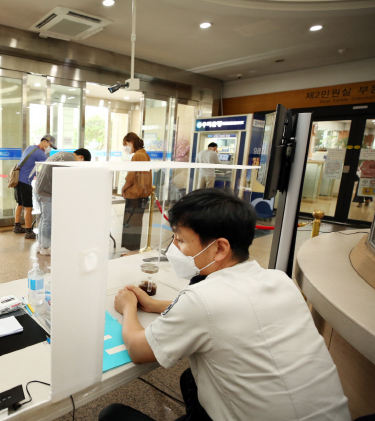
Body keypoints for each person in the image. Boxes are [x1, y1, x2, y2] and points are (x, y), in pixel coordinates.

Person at [100, 188, 350, 421]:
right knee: (191, 378)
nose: (173, 248)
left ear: (220, 248)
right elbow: (230, 311)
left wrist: (128, 306)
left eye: (181, 240)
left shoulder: (202, 300)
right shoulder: (279, 280)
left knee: (112, 414)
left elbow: (137, 349)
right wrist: (155, 305)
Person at [35, 149, 88, 256]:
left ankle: (41, 244)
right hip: (47, 192)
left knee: (44, 218)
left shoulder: (62, 154)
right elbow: (68, 181)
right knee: (48, 221)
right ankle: (46, 248)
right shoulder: (70, 161)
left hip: (39, 189)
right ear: (81, 157)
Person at [14, 135, 56, 239]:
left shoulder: (30, 147)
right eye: (50, 145)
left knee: (20, 204)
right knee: (28, 207)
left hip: (18, 180)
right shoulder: (40, 153)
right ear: (45, 141)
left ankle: (17, 226)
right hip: (25, 182)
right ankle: (29, 232)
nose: (49, 148)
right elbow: (50, 165)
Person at [121, 132, 153, 251]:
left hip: (135, 195)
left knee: (131, 222)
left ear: (131, 142)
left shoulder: (137, 156)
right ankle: (133, 248)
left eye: (126, 144)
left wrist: (123, 188)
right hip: (142, 194)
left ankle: (131, 249)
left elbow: (132, 176)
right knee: (136, 221)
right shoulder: (144, 154)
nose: (126, 147)